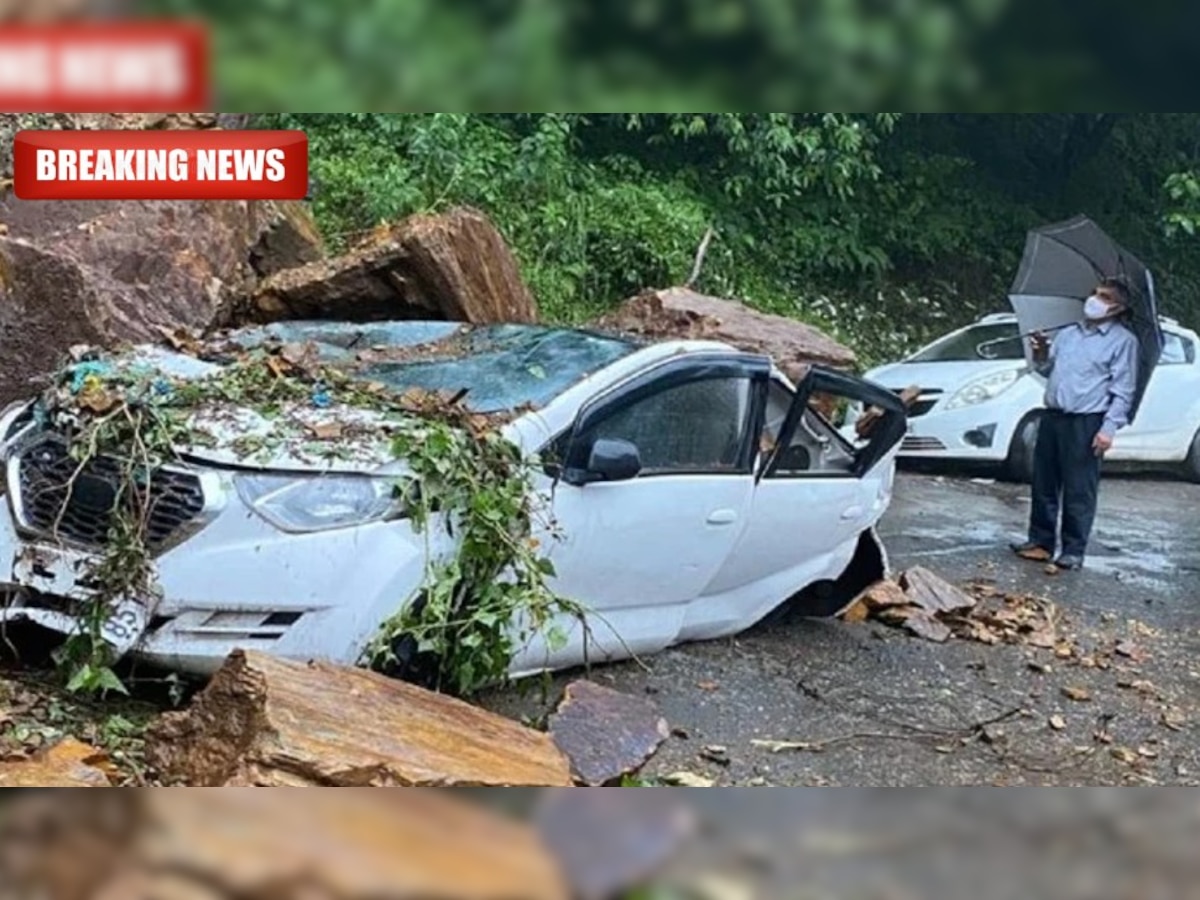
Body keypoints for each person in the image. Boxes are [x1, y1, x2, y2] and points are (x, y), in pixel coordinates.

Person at [1009, 276, 1139, 570]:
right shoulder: (1069, 333)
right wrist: (1040, 349)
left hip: (1087, 421)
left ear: (1118, 308)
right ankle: (1040, 542)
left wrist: (1108, 429)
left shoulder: (1123, 342)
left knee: (1079, 488)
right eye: (1094, 293)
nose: (1094, 300)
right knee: (1043, 482)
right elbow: (1045, 367)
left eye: (1105, 297)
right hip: (1054, 416)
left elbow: (1123, 390)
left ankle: (1073, 549)